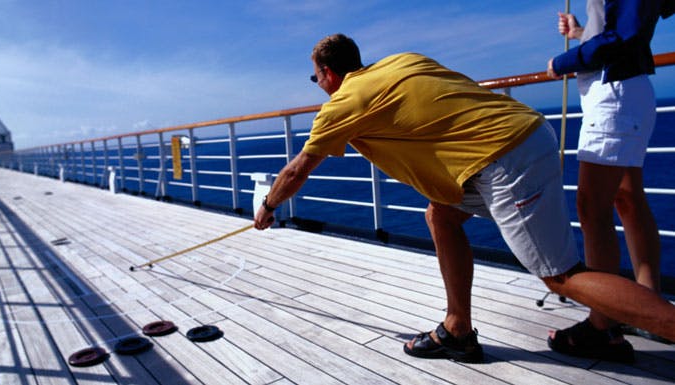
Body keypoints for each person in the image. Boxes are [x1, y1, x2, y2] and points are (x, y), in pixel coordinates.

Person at [253, 33, 675, 364]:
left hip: (504, 157)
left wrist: (268, 207)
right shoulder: (403, 60)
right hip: (526, 131)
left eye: (316, 79)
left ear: (327, 74)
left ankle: (638, 328)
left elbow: (296, 171)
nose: (319, 86)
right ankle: (459, 330)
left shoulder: (341, 104)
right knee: (441, 215)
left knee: (560, 276)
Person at [546, 0, 675, 360]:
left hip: (614, 98)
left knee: (592, 209)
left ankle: (603, 326)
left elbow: (626, 37)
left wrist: (564, 61)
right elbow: (614, 32)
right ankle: (647, 305)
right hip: (622, 94)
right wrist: (580, 34)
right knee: (627, 201)